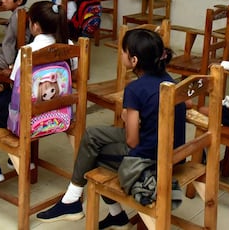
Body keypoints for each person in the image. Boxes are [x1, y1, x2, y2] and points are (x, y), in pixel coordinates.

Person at [36, 28, 185, 228]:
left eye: (123, 51)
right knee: (91, 134)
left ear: (134, 61)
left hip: (149, 159)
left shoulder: (135, 89)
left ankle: (72, 201)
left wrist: (126, 116)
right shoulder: (168, 80)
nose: (120, 53)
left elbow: (132, 141)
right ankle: (108, 213)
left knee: (92, 154)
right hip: (171, 150)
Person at [0, 0, 71, 184]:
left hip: (28, 118)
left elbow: (15, 85)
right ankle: (20, 159)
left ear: (35, 26)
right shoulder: (69, 44)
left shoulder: (28, 50)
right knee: (4, 100)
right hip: (58, 113)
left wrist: (9, 71)